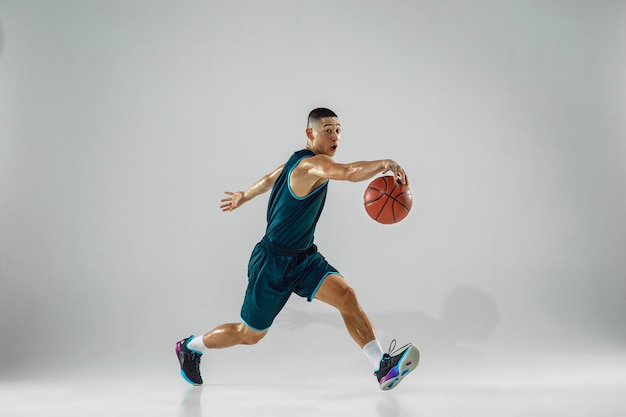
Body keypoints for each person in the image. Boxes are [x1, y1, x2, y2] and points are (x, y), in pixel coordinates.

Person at [175, 107, 419, 390]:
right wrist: (384, 163)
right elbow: (349, 172)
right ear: (310, 133)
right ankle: (190, 347)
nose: (335, 135)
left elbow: (271, 177)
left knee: (346, 296)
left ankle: (382, 367)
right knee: (250, 334)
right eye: (327, 129)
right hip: (272, 263)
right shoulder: (311, 165)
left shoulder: (297, 162)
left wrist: (245, 195)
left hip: (304, 258)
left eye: (338, 129)